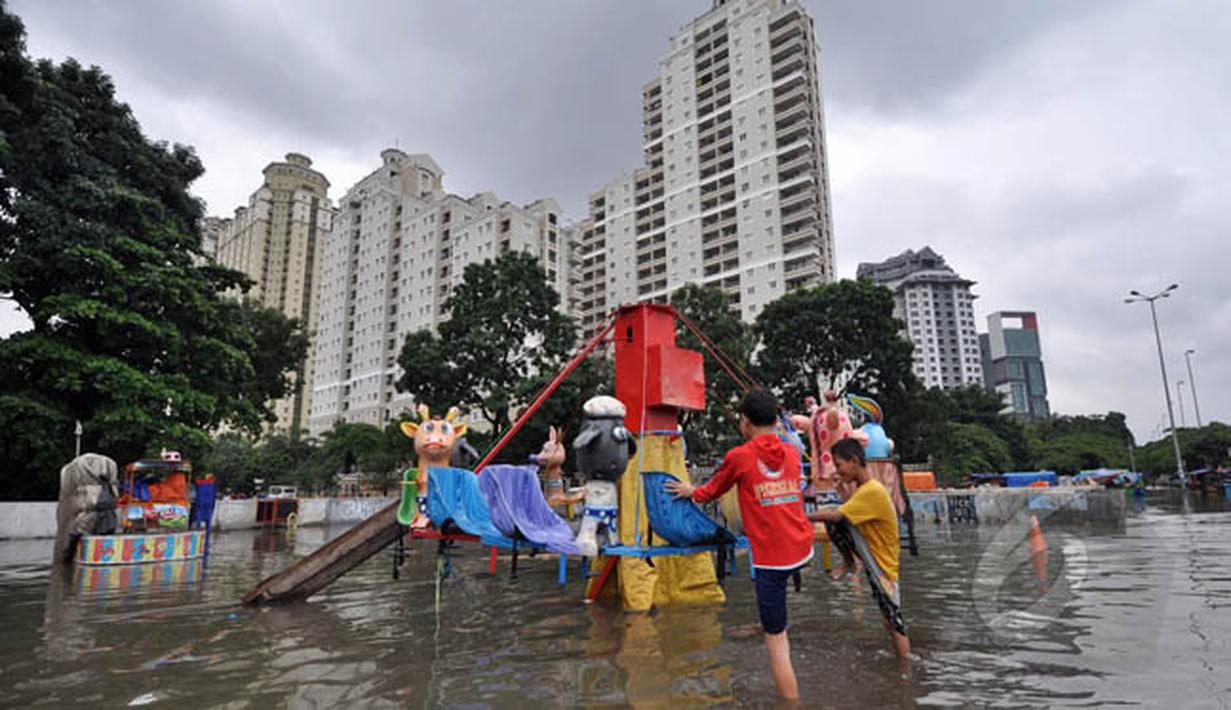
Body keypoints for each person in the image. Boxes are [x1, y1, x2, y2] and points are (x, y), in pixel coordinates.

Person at [666, 388, 813, 701]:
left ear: (745, 422)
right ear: (776, 419)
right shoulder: (791, 453)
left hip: (772, 558)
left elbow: (711, 490)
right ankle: (764, 623)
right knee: (774, 615)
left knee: (777, 641)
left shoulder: (740, 457)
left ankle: (791, 703)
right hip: (801, 545)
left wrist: (689, 490)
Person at [808, 437, 910, 659]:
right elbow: (849, 509)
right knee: (888, 618)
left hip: (882, 565)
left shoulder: (872, 491)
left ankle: (905, 666)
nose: (838, 470)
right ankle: (849, 563)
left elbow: (839, 514)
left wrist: (801, 517)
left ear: (854, 461)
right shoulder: (865, 488)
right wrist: (842, 488)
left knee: (893, 620)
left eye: (839, 465)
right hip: (872, 558)